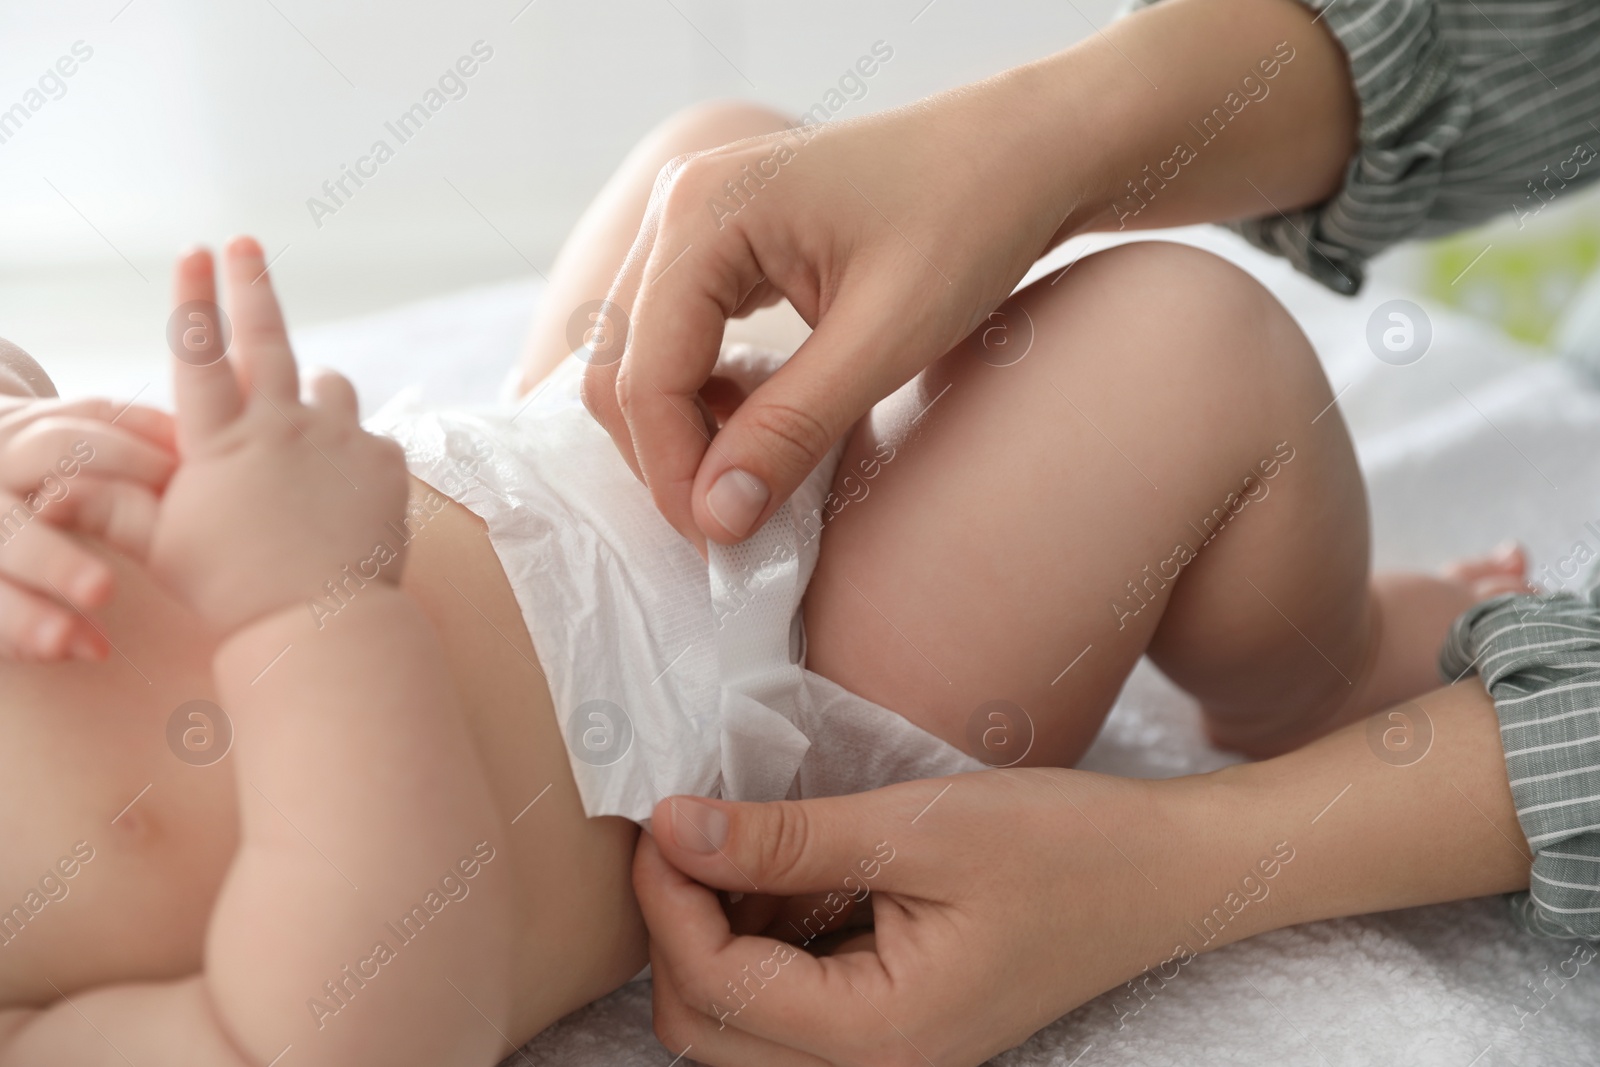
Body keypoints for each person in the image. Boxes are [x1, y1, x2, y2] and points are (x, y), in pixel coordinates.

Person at [0, 179, 1526, 1064]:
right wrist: (305, 613)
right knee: (1192, 349)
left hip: (531, 468)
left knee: (717, 175)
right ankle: (1306, 667)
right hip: (746, 717)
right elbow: (346, 1029)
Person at [571, 0, 1600, 1062]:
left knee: (1190, 343)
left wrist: (1186, 862)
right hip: (606, 503)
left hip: (719, 650)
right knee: (719, 152)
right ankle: (1317, 675)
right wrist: (1037, 138)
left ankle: (1318, 681)